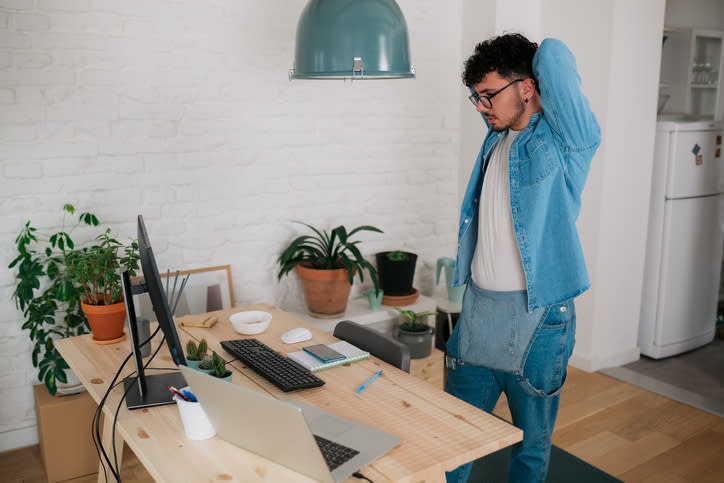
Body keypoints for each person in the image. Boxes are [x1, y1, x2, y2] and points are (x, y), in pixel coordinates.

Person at [444, 33, 601, 482]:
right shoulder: (496, 138)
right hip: (479, 312)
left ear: (528, 88)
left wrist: (530, 66)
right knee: (450, 437)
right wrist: (495, 97)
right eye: (476, 97)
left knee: (530, 447)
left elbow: (553, 54)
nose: (481, 106)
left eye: (489, 94)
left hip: (539, 318)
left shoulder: (564, 144)